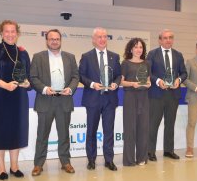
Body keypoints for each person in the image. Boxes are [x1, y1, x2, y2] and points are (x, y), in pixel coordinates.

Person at [0, 20, 31, 180]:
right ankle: (1, 167)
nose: (10, 34)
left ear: (17, 33)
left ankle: (14, 166)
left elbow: (28, 77)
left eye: (13, 31)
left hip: (18, 98)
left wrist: (26, 83)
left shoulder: (23, 53)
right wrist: (4, 85)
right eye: (7, 31)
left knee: (16, 129)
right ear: (1, 33)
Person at [30, 29, 79, 176]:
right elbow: (33, 77)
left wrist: (70, 89)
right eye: (51, 39)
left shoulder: (70, 57)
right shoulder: (38, 57)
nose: (54, 41)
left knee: (64, 135)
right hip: (45, 101)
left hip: (64, 101)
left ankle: (65, 162)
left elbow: (76, 77)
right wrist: (44, 88)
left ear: (60, 40)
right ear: (46, 41)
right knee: (42, 135)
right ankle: (38, 164)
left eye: (57, 39)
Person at [79, 27, 121, 171]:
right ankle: (91, 160)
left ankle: (109, 160)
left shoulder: (114, 57)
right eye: (99, 37)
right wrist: (92, 84)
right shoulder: (86, 56)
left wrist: (116, 83)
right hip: (93, 99)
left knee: (109, 131)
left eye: (105, 37)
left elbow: (119, 75)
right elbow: (81, 76)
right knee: (91, 131)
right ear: (93, 40)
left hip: (110, 100)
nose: (103, 39)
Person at [147, 29, 187, 161]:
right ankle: (150, 152)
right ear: (160, 40)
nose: (168, 40)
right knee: (153, 124)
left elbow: (184, 73)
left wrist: (179, 80)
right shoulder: (152, 54)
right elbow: (148, 72)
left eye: (170, 37)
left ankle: (169, 150)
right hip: (157, 94)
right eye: (165, 38)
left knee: (170, 124)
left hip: (173, 94)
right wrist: (158, 81)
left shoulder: (178, 55)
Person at [120, 38, 151, 166]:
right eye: (136, 47)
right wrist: (133, 84)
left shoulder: (147, 63)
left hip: (144, 97)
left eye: (141, 47)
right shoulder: (125, 63)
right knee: (129, 128)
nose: (139, 50)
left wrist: (148, 84)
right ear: (131, 49)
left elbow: (148, 81)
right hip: (130, 97)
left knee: (143, 128)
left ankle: (142, 158)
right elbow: (121, 81)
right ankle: (129, 160)